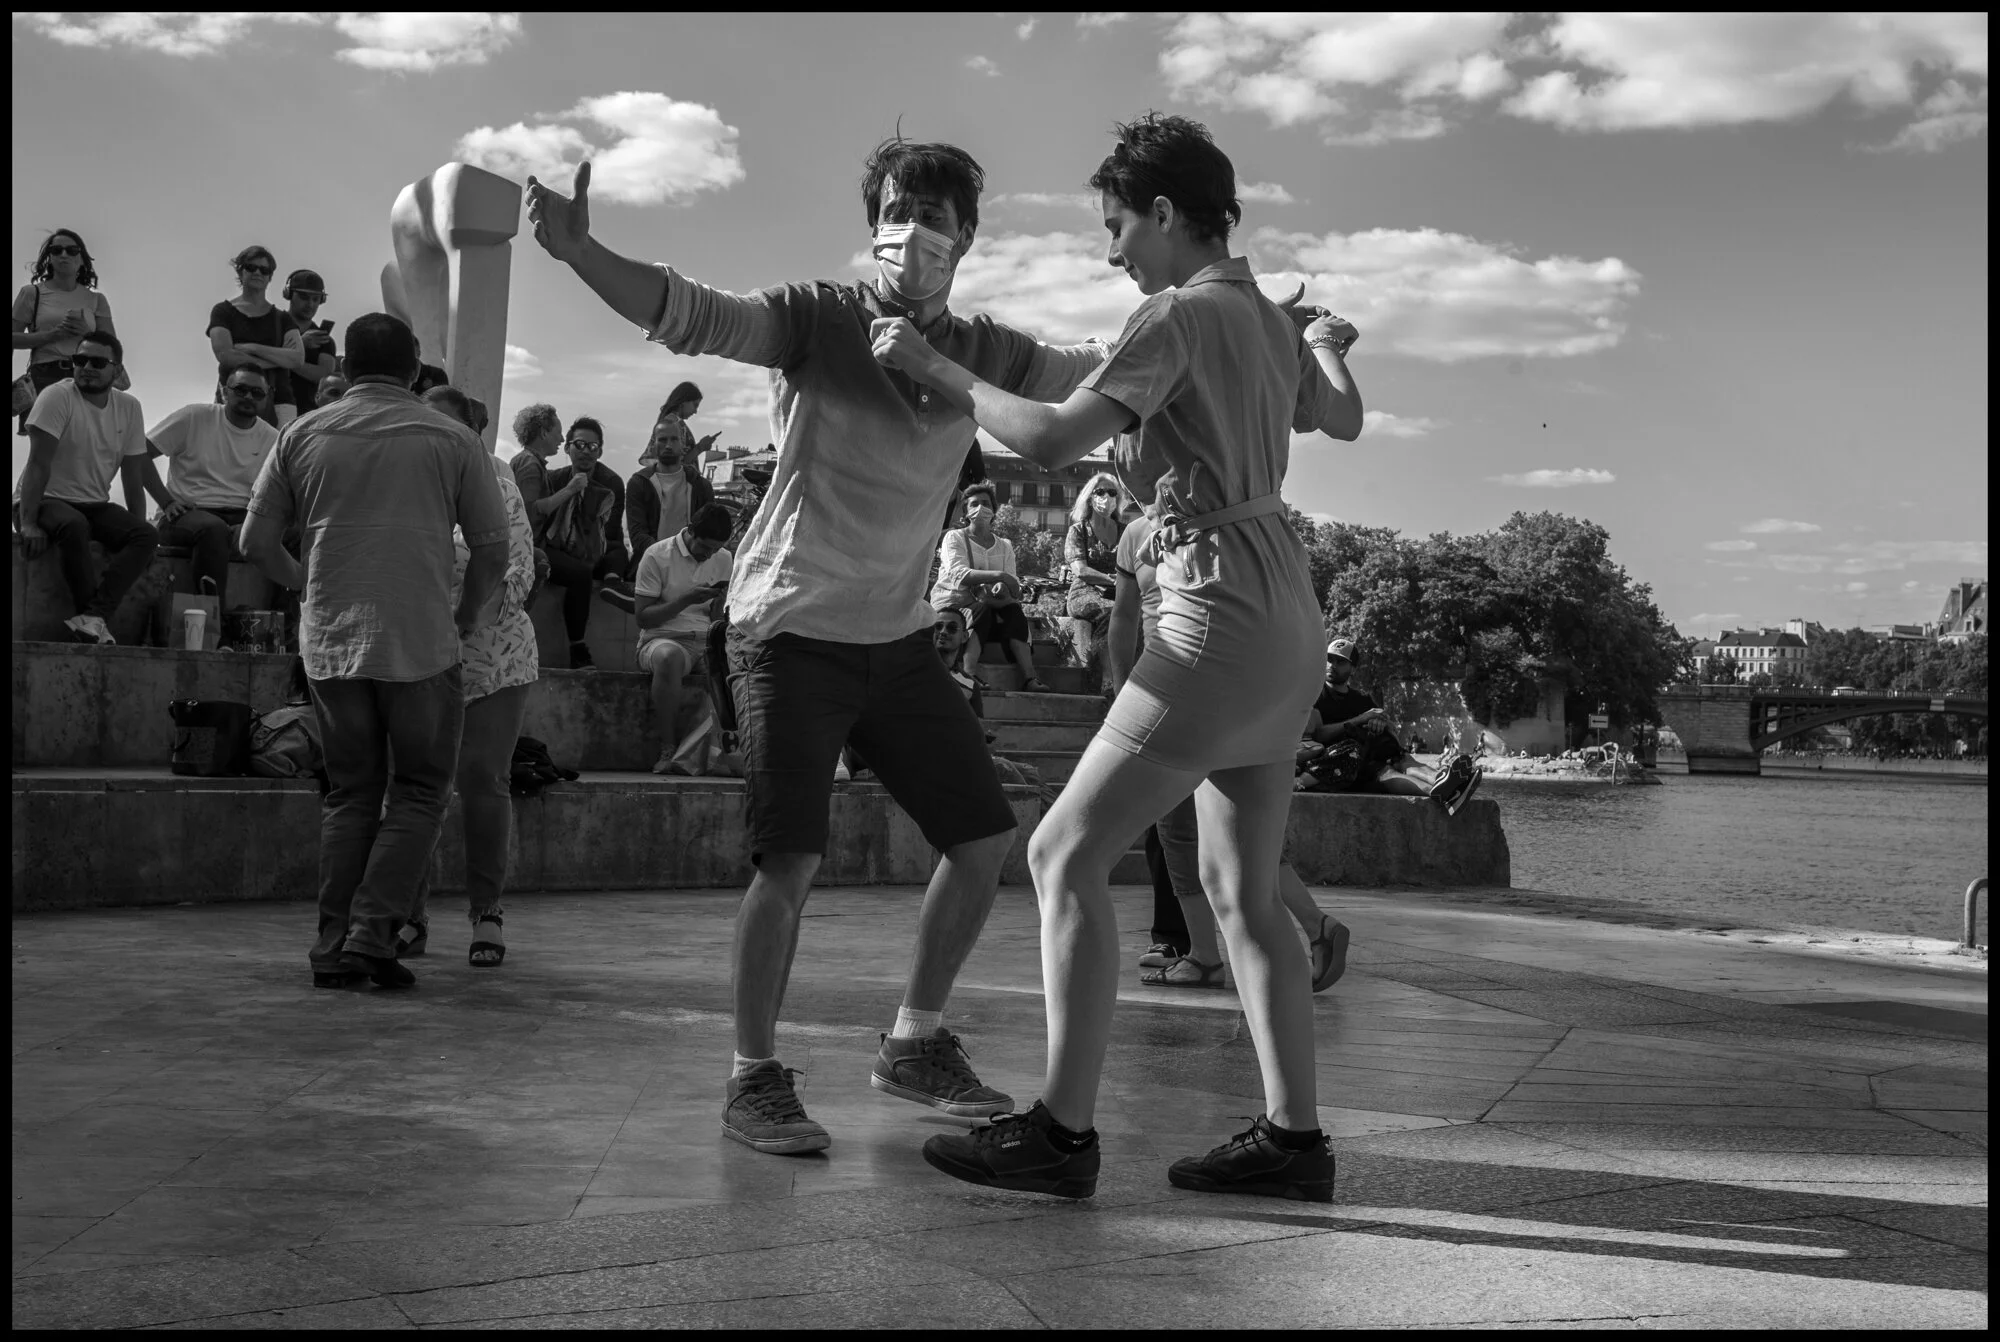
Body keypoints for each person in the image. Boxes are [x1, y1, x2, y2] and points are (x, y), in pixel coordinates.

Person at [525, 135, 1108, 1156]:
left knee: (979, 841)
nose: (916, 231)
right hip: (788, 629)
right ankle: (753, 1076)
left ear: (968, 237)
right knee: (789, 857)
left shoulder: (986, 349)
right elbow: (693, 311)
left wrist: (1242, 331)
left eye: (937, 216)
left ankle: (914, 1042)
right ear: (873, 221)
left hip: (899, 637)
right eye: (898, 208)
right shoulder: (818, 318)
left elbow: (1103, 365)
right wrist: (581, 252)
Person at [868, 112, 1364, 1201]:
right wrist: (1320, 333)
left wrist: (931, 363)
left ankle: (1059, 1128)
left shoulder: (1175, 313)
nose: (1109, 252)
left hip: (1210, 610)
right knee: (1240, 890)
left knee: (1060, 857)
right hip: (1284, 608)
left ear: (1165, 214)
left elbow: (1047, 439)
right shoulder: (1258, 318)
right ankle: (1293, 1141)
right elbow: (1340, 417)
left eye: (1114, 227)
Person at [239, 312, 509, 991]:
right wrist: (468, 614)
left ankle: (333, 947)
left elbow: (253, 544)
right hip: (421, 642)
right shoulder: (451, 437)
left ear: (347, 368)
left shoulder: (302, 432)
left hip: (331, 644)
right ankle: (370, 932)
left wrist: (309, 583)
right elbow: (494, 546)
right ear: (415, 368)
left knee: (349, 795)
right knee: (419, 792)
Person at [1110, 492, 1352, 993]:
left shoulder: (1167, 527)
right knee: (1241, 829)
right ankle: (1314, 925)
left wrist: (1123, 694)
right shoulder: (1224, 513)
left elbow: (1126, 618)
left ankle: (1204, 955)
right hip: (1215, 678)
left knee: (1176, 830)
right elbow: (1124, 617)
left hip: (1187, 678)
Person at [402, 383, 540, 967]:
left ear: (473, 432)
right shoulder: (400, 491)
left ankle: (487, 911)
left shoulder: (502, 491)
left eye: (446, 424)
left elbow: (513, 580)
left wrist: (454, 621)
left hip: (494, 659)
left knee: (483, 781)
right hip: (413, 658)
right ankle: (407, 915)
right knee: (414, 790)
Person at [12, 329, 158, 644]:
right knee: (73, 524)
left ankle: (92, 617)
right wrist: (27, 522)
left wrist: (135, 526)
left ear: (116, 370)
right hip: (44, 498)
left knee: (146, 534)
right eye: (80, 360)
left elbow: (133, 475)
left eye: (97, 362)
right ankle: (91, 620)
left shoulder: (129, 407)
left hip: (92, 504)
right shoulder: (56, 396)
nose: (87, 367)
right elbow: (38, 464)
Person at [138, 366, 279, 610]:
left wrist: (253, 524)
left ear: (267, 397)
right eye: (241, 389)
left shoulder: (273, 438)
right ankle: (213, 627)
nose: (248, 397)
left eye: (257, 393)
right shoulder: (194, 417)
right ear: (225, 392)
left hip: (241, 516)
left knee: (299, 533)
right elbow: (137, 454)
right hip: (186, 513)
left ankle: (288, 627)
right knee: (213, 530)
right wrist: (165, 501)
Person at [1300, 637, 1477, 810]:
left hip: (1372, 753)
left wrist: (1380, 724)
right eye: (1330, 659)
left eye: (1340, 662)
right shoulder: (1315, 695)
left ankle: (1447, 781)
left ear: (1352, 668)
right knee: (1385, 772)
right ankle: (1442, 792)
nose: (1333, 666)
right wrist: (1360, 719)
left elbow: (1388, 727)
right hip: (1343, 764)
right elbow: (1319, 734)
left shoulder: (1362, 699)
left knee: (1403, 759)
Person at [633, 503, 734, 774]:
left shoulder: (723, 558)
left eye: (715, 549)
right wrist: (686, 599)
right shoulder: (657, 555)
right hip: (661, 638)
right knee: (670, 658)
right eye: (705, 548)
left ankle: (729, 752)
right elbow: (643, 617)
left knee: (738, 663)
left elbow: (717, 619)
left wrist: (719, 606)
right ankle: (668, 747)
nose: (709, 555)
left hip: (705, 637)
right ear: (690, 532)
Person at [928, 480, 1046, 690]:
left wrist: (1004, 587)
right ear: (965, 512)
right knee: (983, 610)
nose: (980, 508)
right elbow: (958, 574)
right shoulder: (954, 538)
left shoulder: (1004, 545)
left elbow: (1013, 585)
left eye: (985, 503)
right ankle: (968, 672)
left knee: (1013, 612)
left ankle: (1030, 678)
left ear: (993, 510)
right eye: (973, 504)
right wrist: (999, 576)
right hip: (954, 606)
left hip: (990, 608)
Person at [540, 416, 632, 669]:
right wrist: (570, 489)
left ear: (600, 451)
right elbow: (543, 524)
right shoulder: (553, 479)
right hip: (559, 550)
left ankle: (613, 584)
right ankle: (577, 648)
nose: (586, 452)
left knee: (618, 551)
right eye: (579, 445)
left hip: (594, 547)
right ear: (568, 447)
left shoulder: (611, 482)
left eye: (593, 447)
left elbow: (610, 531)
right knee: (580, 573)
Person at [13, 229, 125, 435]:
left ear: (82, 259)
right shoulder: (32, 293)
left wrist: (86, 336)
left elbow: (111, 345)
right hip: (46, 375)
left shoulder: (95, 299)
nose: (64, 255)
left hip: (88, 373)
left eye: (71, 250)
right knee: (48, 445)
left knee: (86, 441)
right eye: (57, 250)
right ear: (50, 258)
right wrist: (52, 335)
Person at [618, 388, 718, 589]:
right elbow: (638, 536)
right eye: (663, 440)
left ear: (682, 444)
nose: (668, 445)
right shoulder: (640, 483)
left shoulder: (701, 486)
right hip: (655, 566)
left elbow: (711, 534)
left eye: (674, 440)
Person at [208, 246, 307, 428]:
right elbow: (226, 356)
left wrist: (253, 348)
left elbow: (297, 358)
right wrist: (277, 360)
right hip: (233, 397)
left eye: (264, 269)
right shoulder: (223, 312)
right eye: (251, 267)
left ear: (270, 277)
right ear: (240, 271)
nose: (258, 273)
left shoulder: (282, 319)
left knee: (279, 455)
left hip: (280, 400)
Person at [1064, 471, 1122, 684]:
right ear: (1089, 497)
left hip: (1119, 593)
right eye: (1100, 491)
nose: (1106, 497)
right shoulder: (1078, 530)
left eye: (1112, 492)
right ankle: (1107, 678)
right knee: (1111, 612)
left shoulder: (1125, 531)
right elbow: (1081, 570)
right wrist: (1113, 580)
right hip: (1084, 592)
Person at [281, 269, 339, 414]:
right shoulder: (272, 326)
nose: (310, 304)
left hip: (305, 413)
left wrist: (282, 359)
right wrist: (300, 345)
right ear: (289, 294)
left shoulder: (324, 340)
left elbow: (323, 375)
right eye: (304, 297)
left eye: (316, 299)